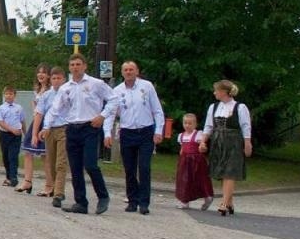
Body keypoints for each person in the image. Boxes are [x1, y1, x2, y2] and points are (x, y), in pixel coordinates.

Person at [48, 53, 112, 215]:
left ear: (84, 66)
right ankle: (81, 202)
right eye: (72, 65)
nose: (75, 67)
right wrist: (47, 126)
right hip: (72, 128)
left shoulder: (95, 84)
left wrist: (102, 116)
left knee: (90, 164)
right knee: (75, 168)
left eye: (78, 64)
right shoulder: (65, 88)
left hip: (90, 127)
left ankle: (103, 196)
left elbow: (114, 99)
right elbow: (55, 108)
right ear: (69, 68)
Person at [102, 60, 166, 215]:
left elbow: (157, 109)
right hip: (127, 132)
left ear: (137, 71)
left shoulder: (147, 86)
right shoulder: (117, 91)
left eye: (131, 69)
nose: (129, 72)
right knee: (129, 169)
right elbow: (110, 113)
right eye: (126, 70)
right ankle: (132, 200)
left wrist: (159, 130)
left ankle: (144, 203)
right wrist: (107, 133)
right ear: (122, 72)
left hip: (145, 131)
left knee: (144, 167)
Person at [200, 80, 252, 216]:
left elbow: (246, 126)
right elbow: (208, 126)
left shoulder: (240, 107)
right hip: (218, 141)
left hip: (233, 141)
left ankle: (224, 202)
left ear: (224, 92)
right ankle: (230, 202)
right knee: (223, 172)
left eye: (216, 90)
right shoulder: (214, 107)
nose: (214, 93)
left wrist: (247, 143)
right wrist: (203, 141)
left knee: (230, 171)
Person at [36, 67, 69, 206]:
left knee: (61, 162)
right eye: (54, 78)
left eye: (59, 78)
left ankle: (59, 193)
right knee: (52, 161)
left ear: (64, 79)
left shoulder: (68, 93)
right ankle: (56, 186)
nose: (56, 81)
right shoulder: (46, 95)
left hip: (64, 128)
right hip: (50, 130)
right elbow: (39, 112)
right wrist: (41, 129)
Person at [17, 64, 51, 194]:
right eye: (39, 72)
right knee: (27, 151)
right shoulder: (38, 90)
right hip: (36, 121)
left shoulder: (50, 90)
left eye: (44, 73)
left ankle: (49, 185)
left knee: (45, 155)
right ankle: (27, 181)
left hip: (45, 122)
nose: (41, 75)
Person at [173, 112, 214, 210]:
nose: (187, 125)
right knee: (184, 181)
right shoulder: (181, 136)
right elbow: (182, 149)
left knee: (200, 179)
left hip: (196, 161)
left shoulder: (198, 134)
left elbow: (202, 146)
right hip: (185, 162)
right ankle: (184, 201)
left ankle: (207, 196)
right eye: (185, 123)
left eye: (190, 123)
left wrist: (202, 147)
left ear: (195, 124)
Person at [0, 86, 25, 187]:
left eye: (11, 94)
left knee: (13, 156)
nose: (9, 96)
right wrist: (11, 129)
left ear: (14, 96)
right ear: (4, 95)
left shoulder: (19, 108)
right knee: (6, 156)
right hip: (5, 135)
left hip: (16, 135)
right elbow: (0, 121)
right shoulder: (1, 108)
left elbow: (22, 121)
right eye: (7, 94)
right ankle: (8, 176)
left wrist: (26, 133)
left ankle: (13, 177)